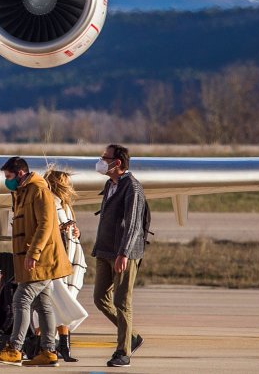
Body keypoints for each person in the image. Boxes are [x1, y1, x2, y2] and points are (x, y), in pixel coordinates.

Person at [0, 157, 71, 367]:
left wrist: (34, 253)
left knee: (21, 299)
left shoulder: (39, 191)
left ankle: (15, 349)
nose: (7, 181)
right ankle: (48, 351)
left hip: (42, 259)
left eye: (9, 177)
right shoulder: (22, 192)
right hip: (34, 259)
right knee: (43, 305)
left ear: (21, 174)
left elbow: (46, 225)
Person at [92, 143, 147, 368]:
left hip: (123, 253)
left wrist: (123, 253)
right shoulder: (109, 184)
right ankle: (132, 336)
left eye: (105, 158)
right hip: (105, 251)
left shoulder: (132, 188)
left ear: (118, 163)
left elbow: (133, 224)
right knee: (100, 299)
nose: (101, 160)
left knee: (122, 302)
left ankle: (123, 352)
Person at [42, 168, 89, 363]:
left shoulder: (66, 206)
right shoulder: (49, 203)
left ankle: (63, 345)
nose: (69, 187)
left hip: (70, 259)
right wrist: (61, 229)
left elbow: (70, 227)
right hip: (56, 262)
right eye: (66, 183)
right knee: (58, 303)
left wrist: (75, 231)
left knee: (63, 301)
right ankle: (55, 346)